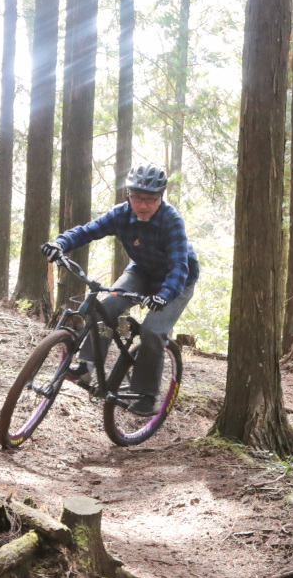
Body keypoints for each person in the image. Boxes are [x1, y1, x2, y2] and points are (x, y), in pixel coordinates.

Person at [41, 162, 198, 416]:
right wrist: (59, 243)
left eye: (151, 199)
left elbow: (179, 266)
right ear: (129, 196)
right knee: (105, 306)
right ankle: (87, 366)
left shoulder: (171, 221)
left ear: (161, 198)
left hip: (177, 281)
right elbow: (87, 231)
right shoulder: (121, 214)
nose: (143, 205)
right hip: (142, 272)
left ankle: (146, 393)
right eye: (137, 197)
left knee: (152, 330)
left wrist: (164, 295)